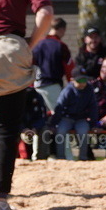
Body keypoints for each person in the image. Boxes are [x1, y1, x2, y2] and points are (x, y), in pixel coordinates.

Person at [0, 0, 53, 210]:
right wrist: (30, 43)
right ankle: (0, 198)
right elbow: (45, 14)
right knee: (6, 129)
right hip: (10, 47)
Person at [31, 17, 72, 159]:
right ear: (62, 29)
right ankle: (66, 154)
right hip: (53, 87)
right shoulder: (61, 46)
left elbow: (30, 67)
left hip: (36, 86)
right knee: (61, 120)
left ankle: (37, 155)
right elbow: (69, 70)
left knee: (39, 121)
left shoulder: (37, 45)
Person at [48, 70, 98, 161]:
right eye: (80, 81)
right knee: (60, 131)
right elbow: (59, 108)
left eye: (85, 81)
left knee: (83, 132)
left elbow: (93, 107)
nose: (83, 83)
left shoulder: (89, 89)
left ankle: (83, 158)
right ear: (72, 80)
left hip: (81, 118)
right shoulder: (68, 91)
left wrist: (93, 124)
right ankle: (61, 158)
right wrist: (53, 124)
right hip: (67, 117)